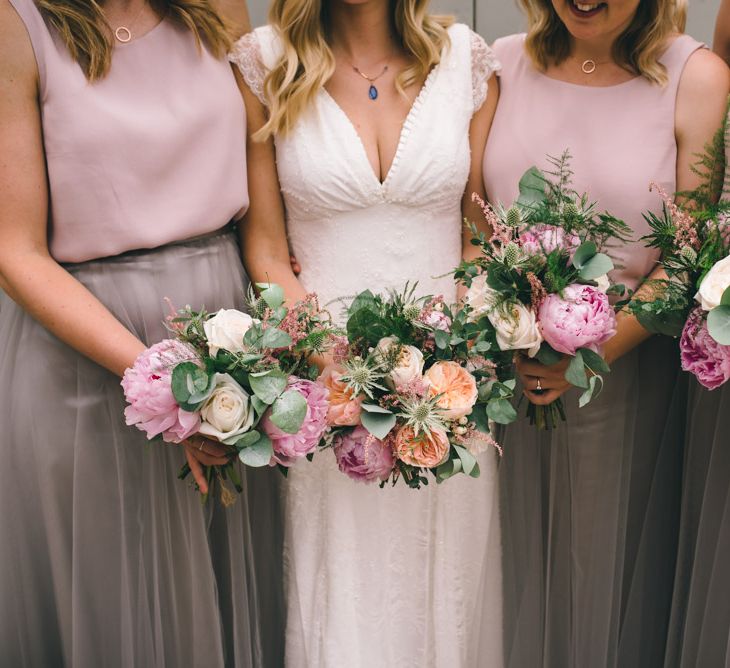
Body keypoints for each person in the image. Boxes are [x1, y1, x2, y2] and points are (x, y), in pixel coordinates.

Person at [0, 0, 280, 664]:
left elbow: (265, 234)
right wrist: (168, 384)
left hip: (230, 358)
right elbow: (15, 252)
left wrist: (285, 355)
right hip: (88, 365)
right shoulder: (17, 22)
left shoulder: (220, 10)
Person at [229, 0, 503, 664]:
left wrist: (451, 352)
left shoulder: (465, 60)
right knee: (339, 578)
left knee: (448, 579)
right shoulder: (266, 64)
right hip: (324, 381)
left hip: (446, 383)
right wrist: (329, 357)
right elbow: (265, 248)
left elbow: (477, 234)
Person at [482, 0, 730, 666]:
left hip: (629, 375)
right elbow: (469, 220)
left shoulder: (695, 77)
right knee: (506, 575)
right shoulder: (498, 65)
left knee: (605, 578)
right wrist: (511, 328)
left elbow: (690, 254)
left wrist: (588, 352)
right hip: (506, 374)